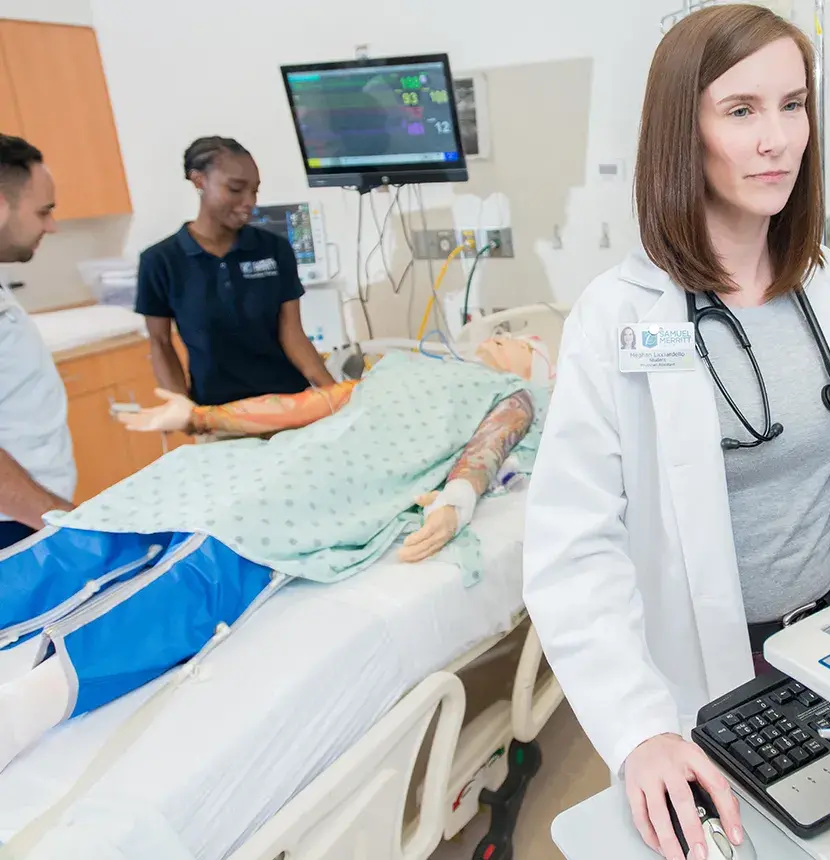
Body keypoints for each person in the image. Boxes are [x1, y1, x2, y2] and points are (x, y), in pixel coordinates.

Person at [522, 6, 830, 860]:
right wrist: (639, 731)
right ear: (685, 130)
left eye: (794, 105)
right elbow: (571, 550)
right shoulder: (617, 316)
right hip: (706, 672)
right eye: (741, 111)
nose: (777, 138)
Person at [0, 347, 543, 774]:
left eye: (514, 341)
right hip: (285, 451)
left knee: (235, 538)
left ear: (531, 364)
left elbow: (488, 450)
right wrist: (196, 414)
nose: (496, 340)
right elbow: (305, 406)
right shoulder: (398, 367)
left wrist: (456, 501)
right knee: (139, 502)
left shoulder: (513, 393)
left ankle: (36, 699)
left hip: (349, 473)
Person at [135, 136, 335, 408]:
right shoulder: (161, 261)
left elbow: (292, 333)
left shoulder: (273, 249)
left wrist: (334, 393)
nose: (249, 202)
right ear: (199, 181)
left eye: (254, 191)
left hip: (288, 403)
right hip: (219, 412)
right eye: (235, 189)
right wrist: (183, 410)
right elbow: (160, 344)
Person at [0, 135, 75, 547]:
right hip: (16, 522)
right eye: (43, 211)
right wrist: (62, 521)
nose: (52, 225)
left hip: (28, 517)